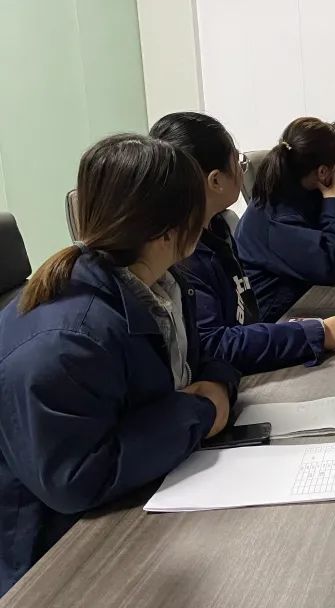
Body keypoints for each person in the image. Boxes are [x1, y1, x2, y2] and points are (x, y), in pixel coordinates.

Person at [0, 134, 239, 594]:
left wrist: (216, 388)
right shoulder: (67, 341)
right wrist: (203, 409)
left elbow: (203, 362)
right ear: (167, 231)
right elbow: (77, 479)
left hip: (146, 495)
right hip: (59, 562)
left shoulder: (163, 286)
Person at [151, 112, 335, 374]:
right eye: (238, 161)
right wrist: (315, 333)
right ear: (215, 180)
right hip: (241, 366)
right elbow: (214, 346)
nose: (242, 169)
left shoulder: (218, 226)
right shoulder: (182, 254)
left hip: (250, 355)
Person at [234, 117, 335, 322]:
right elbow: (328, 263)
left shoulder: (298, 194)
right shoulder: (277, 217)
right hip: (277, 318)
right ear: (323, 172)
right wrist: (334, 202)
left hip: (302, 300)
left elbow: (323, 243)